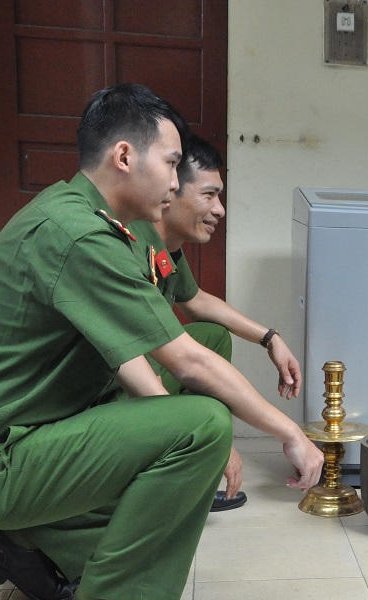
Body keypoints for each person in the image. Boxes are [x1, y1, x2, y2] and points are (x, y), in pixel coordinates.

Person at [0, 84, 324, 600]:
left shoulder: (86, 219)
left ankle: (32, 545)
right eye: (170, 163)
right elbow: (184, 359)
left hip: (18, 440)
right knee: (203, 426)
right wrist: (290, 433)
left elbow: (154, 346)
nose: (175, 181)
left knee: (185, 431)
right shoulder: (79, 236)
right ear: (123, 156)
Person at [126, 134, 304, 513]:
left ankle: (190, 465)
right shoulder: (130, 243)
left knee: (212, 336)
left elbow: (196, 301)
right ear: (170, 190)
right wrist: (207, 438)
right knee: (193, 363)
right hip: (109, 386)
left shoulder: (165, 248)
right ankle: (170, 477)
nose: (219, 210)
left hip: (134, 369)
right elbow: (136, 360)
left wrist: (270, 338)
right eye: (208, 195)